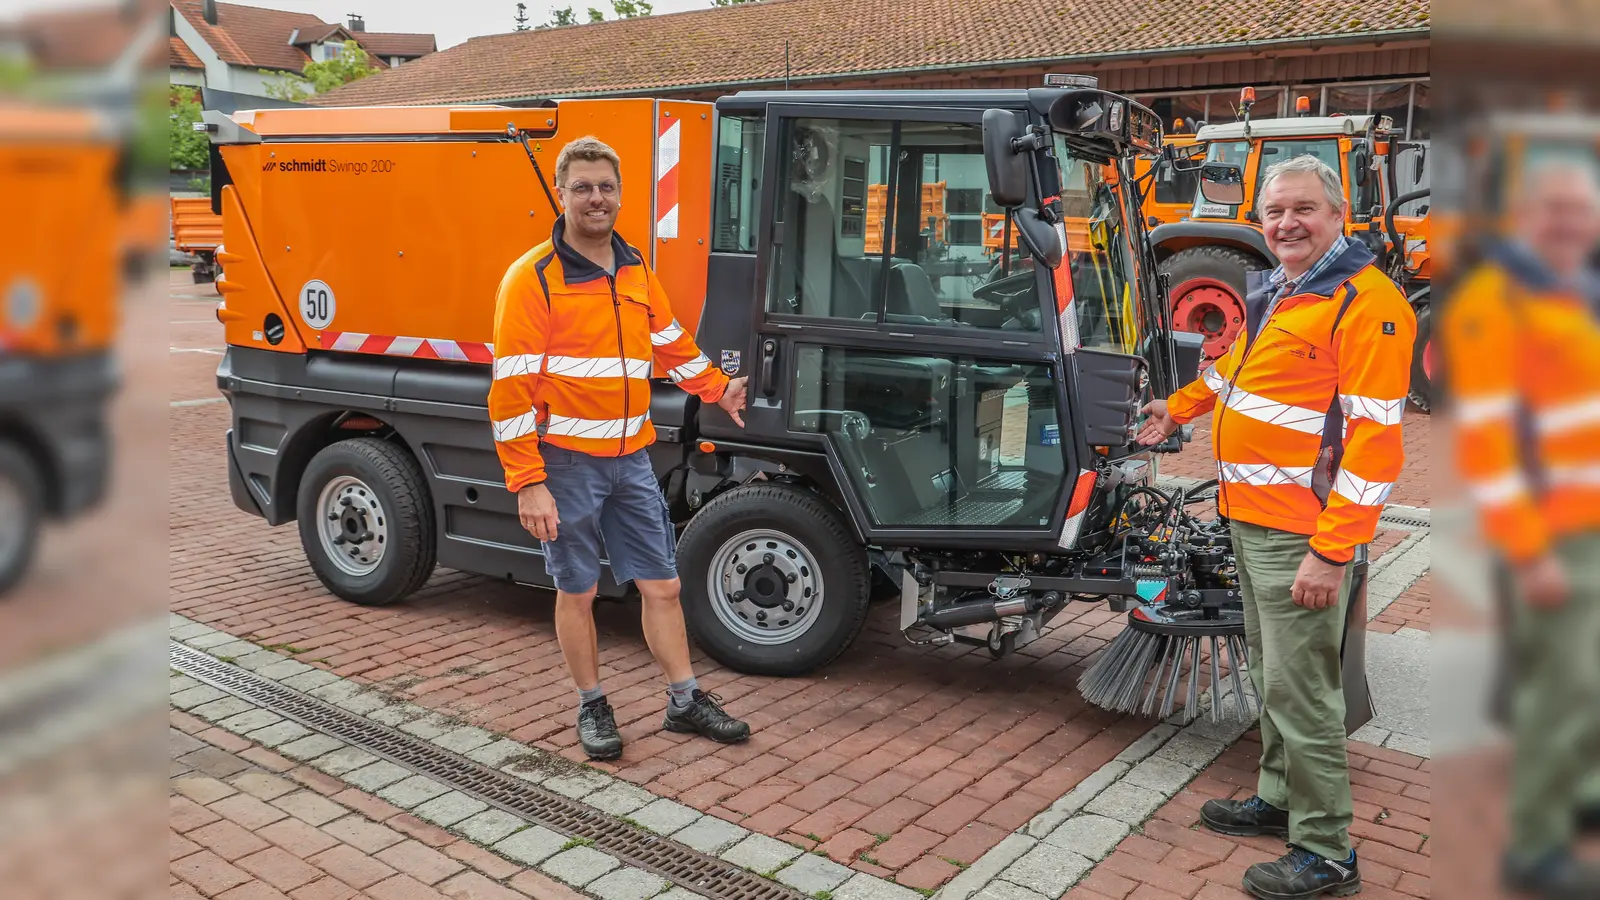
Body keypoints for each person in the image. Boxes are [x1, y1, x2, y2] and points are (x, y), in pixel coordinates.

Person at [1137, 154, 1415, 899]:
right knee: (1271, 677)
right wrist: (1181, 406)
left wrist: (1332, 550)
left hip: (1303, 534)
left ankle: (1327, 852)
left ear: (1339, 215)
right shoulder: (1281, 290)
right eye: (1274, 213)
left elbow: (1376, 443)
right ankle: (1279, 797)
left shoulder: (1368, 303)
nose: (1286, 224)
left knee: (1304, 693)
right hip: (1251, 521)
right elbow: (1237, 377)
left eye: (1303, 209)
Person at [488, 135, 752, 761]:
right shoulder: (532, 280)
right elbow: (510, 392)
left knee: (661, 585)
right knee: (577, 589)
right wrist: (529, 481)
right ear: (562, 194)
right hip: (565, 465)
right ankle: (591, 702)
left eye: (605, 186)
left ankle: (684, 700)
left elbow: (671, 343)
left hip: (631, 460)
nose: (595, 198)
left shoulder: (634, 270)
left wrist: (718, 389)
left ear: (621, 194)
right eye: (582, 187)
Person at [1441, 156, 1600, 899]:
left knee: (1581, 683)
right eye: (1556, 209)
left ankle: (1580, 788)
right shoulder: (1496, 300)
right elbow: (1490, 444)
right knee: (1565, 688)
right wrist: (1531, 552)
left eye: (1582, 209)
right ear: (1526, 217)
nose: (1571, 223)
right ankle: (1536, 845)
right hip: (1550, 534)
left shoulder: (1568, 293)